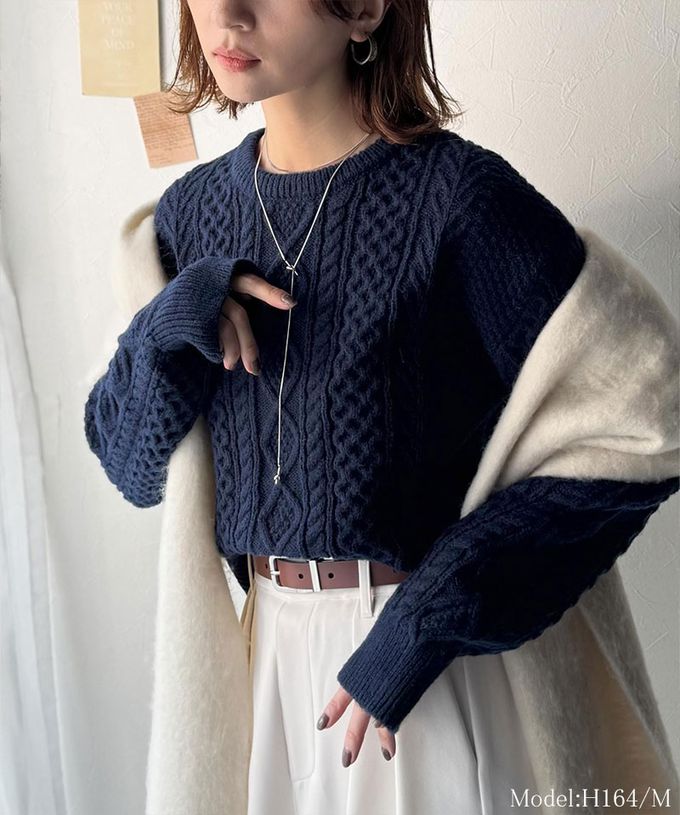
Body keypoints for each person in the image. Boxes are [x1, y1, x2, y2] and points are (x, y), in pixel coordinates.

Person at [83, 1, 680, 813]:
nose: (225, 13)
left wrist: (428, 617)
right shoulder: (188, 219)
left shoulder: (459, 198)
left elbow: (647, 411)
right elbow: (129, 465)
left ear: (364, 8)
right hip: (262, 676)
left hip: (423, 680)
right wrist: (164, 329)